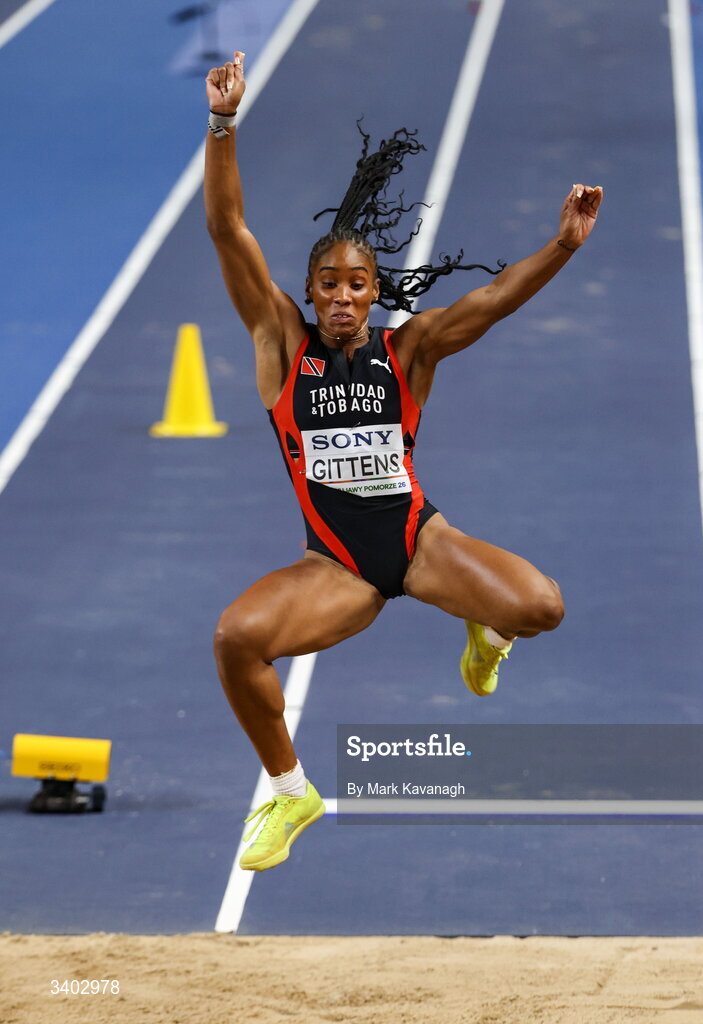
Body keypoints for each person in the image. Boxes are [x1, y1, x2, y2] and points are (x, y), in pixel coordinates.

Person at [205, 51, 603, 872]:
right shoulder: (282, 345)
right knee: (236, 638)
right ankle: (288, 792)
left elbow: (491, 302)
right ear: (310, 292)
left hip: (421, 543)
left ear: (375, 288)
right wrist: (223, 124)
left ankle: (485, 634)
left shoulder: (409, 350)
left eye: (357, 283)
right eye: (328, 284)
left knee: (545, 608)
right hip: (340, 567)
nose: (343, 296)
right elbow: (228, 230)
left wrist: (563, 245)